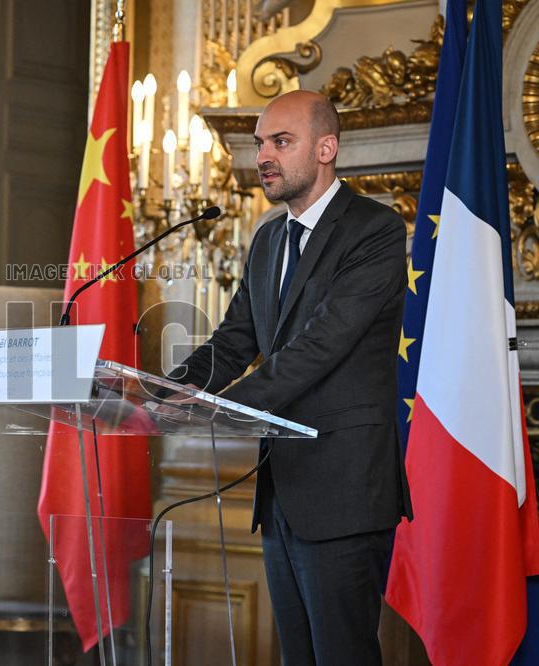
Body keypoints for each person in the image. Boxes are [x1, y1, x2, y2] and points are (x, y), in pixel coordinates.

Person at [169, 90, 413, 664]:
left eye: (282, 141)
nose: (265, 157)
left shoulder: (374, 231)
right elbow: (234, 340)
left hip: (345, 492)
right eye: (260, 144)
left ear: (326, 148)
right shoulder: (267, 238)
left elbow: (319, 347)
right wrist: (168, 390)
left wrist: (220, 409)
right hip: (283, 493)